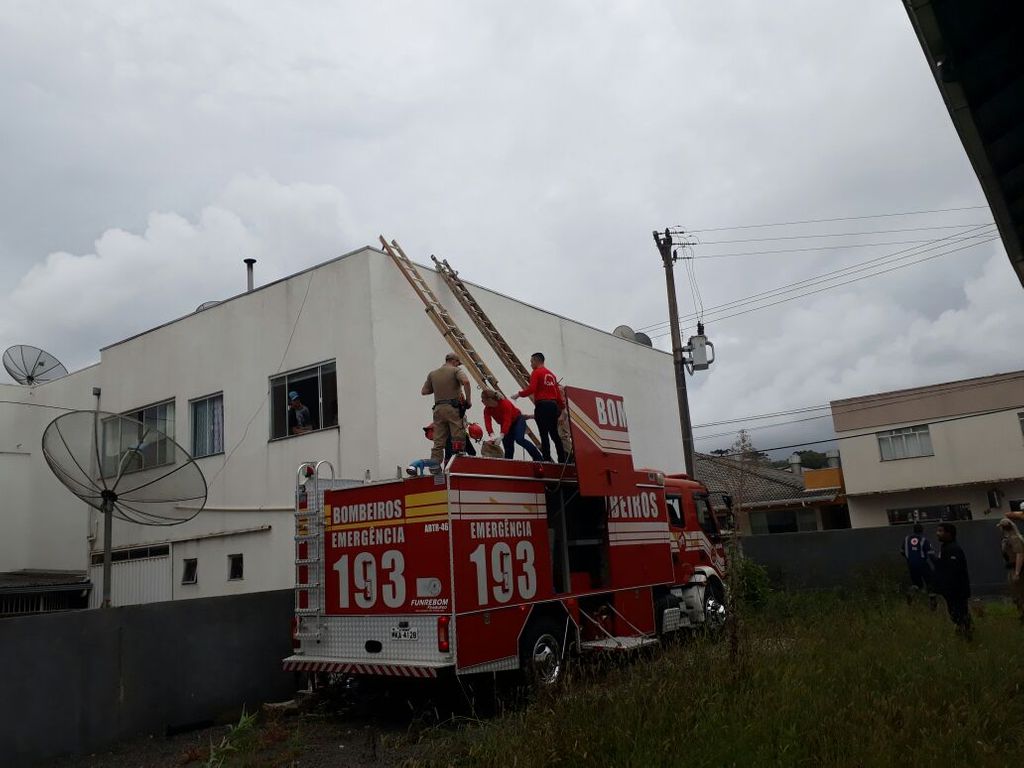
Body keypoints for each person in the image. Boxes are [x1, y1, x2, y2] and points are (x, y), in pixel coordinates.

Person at [512, 352, 565, 463]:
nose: (531, 364)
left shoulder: (536, 373)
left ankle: (546, 459)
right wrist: (561, 407)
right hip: (553, 406)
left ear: (536, 361)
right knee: (554, 434)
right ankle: (562, 459)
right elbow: (558, 395)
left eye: (531, 362)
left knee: (543, 433)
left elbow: (532, 389)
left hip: (542, 405)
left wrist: (519, 394)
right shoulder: (552, 375)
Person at [422, 352, 471, 465]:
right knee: (457, 436)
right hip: (452, 408)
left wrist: (440, 388)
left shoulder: (432, 374)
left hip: (438, 409)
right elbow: (466, 382)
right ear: (454, 361)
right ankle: (458, 463)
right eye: (458, 363)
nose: (458, 365)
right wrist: (468, 401)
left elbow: (424, 391)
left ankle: (434, 465)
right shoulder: (455, 371)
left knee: (438, 440)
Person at [930, 522, 973, 639]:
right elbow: (942, 566)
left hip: (957, 590)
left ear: (949, 533)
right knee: (954, 614)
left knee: (960, 614)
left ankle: (967, 634)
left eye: (940, 531)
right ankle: (962, 632)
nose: (937, 534)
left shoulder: (953, 549)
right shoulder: (945, 547)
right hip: (949, 591)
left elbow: (953, 570)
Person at [481, 389, 543, 461]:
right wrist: (491, 434)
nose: (482, 402)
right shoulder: (487, 409)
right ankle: (508, 462)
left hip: (517, 421)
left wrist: (502, 435)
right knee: (508, 446)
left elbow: (507, 420)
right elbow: (487, 422)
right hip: (505, 424)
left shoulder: (505, 404)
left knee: (519, 439)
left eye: (483, 400)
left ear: (490, 400)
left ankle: (538, 458)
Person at [900, 523, 935, 608]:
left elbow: (902, 551)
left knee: (917, 584)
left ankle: (911, 592)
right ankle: (932, 602)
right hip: (922, 563)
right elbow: (930, 553)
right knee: (930, 582)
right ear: (922, 530)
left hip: (911, 564)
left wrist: (909, 558)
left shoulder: (907, 539)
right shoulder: (923, 540)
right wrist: (936, 563)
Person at [996, 517, 1024, 623]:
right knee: (1016, 594)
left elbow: (1020, 554)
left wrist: (1017, 572)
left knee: (1020, 593)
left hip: (1017, 569)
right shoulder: (1008, 538)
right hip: (1011, 567)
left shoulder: (1014, 538)